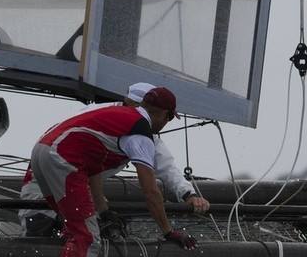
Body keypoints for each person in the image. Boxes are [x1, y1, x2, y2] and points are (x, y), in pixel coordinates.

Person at [29, 86, 198, 257]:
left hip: (41, 153)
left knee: (73, 226)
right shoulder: (140, 131)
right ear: (165, 114)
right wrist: (168, 231)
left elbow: (93, 170)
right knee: (88, 236)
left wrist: (104, 210)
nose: (165, 124)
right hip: (62, 158)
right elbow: (150, 189)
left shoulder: (117, 115)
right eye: (169, 119)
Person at [19, 82, 211, 237]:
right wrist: (167, 232)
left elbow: (167, 168)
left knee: (99, 237)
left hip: (81, 187)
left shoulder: (145, 133)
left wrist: (188, 194)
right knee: (42, 237)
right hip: (44, 185)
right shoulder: (100, 116)